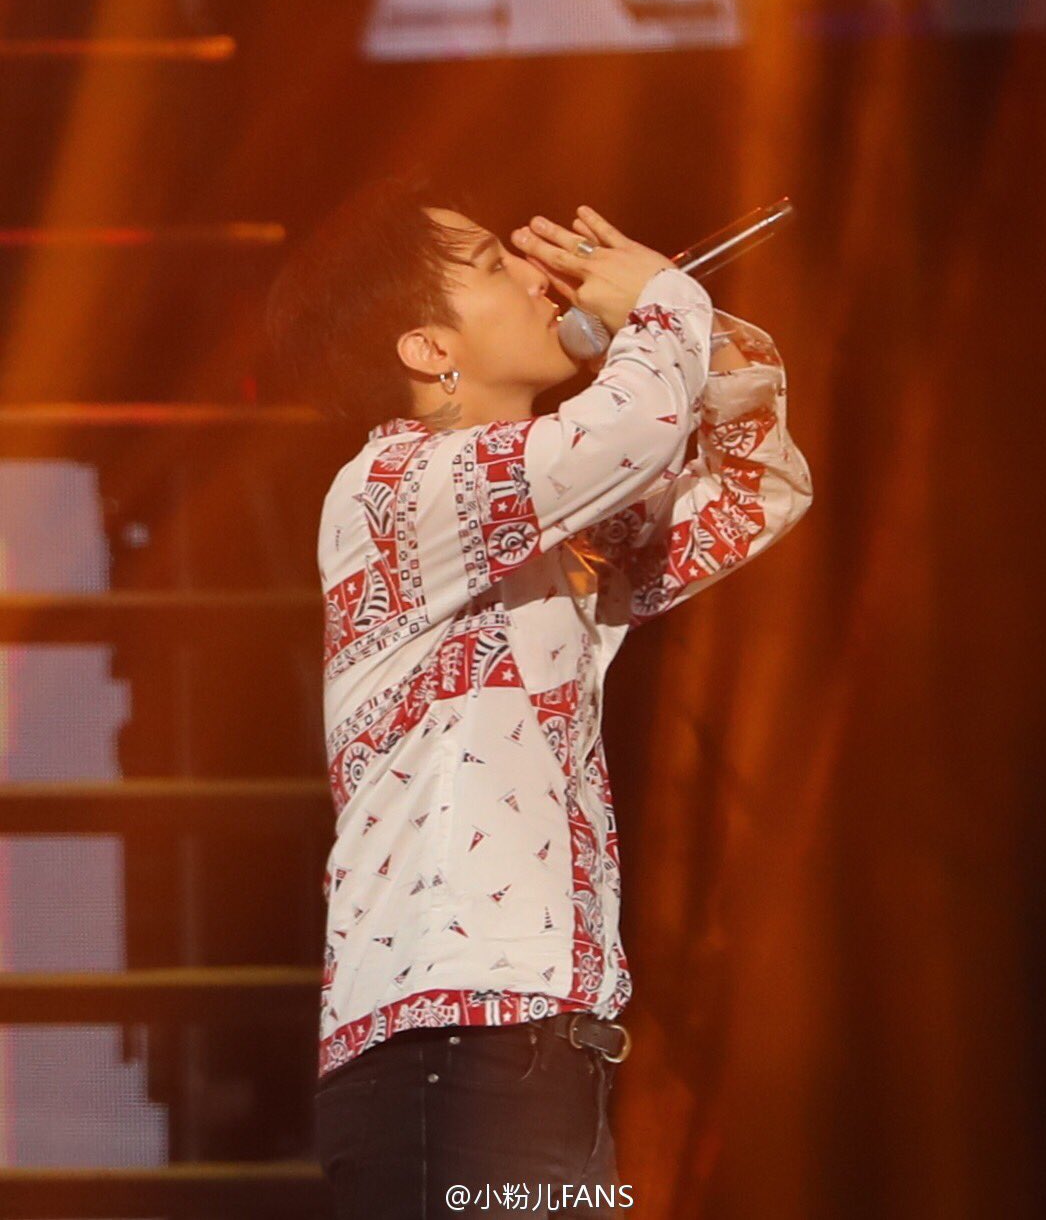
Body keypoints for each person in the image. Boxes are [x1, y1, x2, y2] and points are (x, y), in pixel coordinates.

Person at [266, 175, 813, 1217]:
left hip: (532, 1049)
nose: (534, 273)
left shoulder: (544, 526)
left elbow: (751, 492)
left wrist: (682, 322)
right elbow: (632, 430)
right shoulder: (395, 489)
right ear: (428, 348)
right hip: (453, 1045)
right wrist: (656, 306)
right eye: (492, 264)